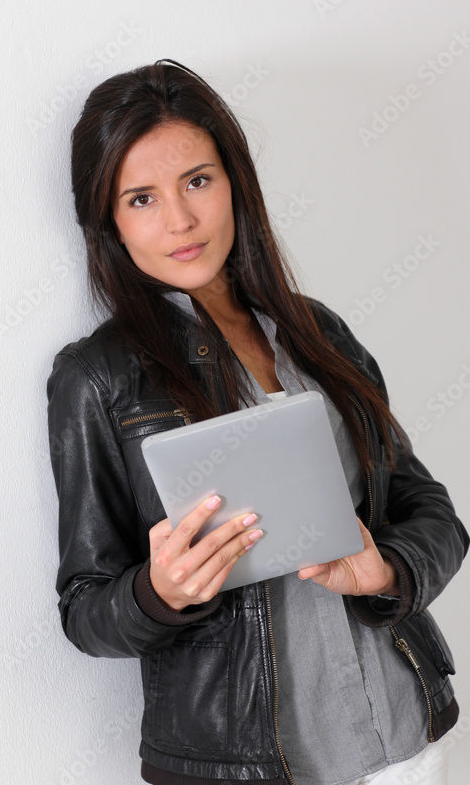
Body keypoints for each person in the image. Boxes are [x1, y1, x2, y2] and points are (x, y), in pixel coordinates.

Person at [46, 59, 468, 785]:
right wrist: (160, 592)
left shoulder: (317, 333)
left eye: (197, 182)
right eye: (141, 198)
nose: (179, 221)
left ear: (235, 182)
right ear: (108, 221)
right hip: (242, 766)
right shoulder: (97, 377)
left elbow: (430, 510)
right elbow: (86, 607)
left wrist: (386, 570)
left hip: (407, 734)